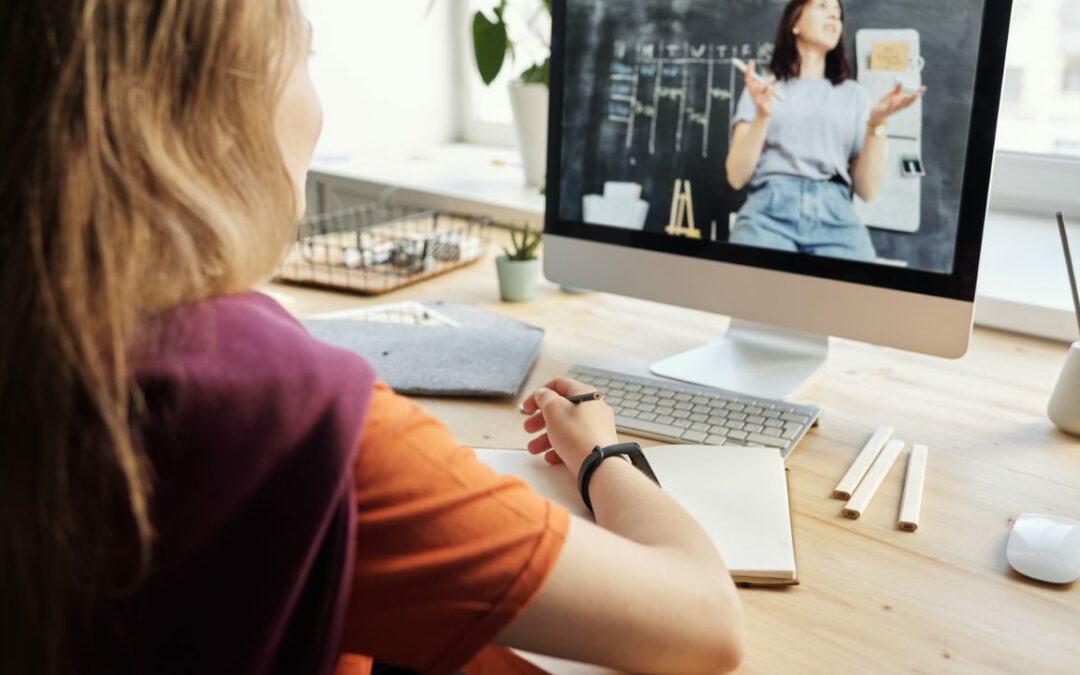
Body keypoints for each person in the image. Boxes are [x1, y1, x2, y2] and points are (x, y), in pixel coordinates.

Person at [0, 2, 745, 674]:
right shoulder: (289, 415)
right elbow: (705, 624)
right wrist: (602, 451)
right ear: (216, 104)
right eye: (306, 59)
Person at [725, 0, 924, 261]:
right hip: (769, 210)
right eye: (822, 6)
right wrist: (763, 114)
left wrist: (876, 124)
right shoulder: (763, 87)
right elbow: (736, 176)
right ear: (795, 22)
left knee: (860, 295)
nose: (833, 14)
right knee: (749, 292)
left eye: (838, 13)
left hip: (836, 214)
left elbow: (867, 190)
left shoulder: (855, 96)